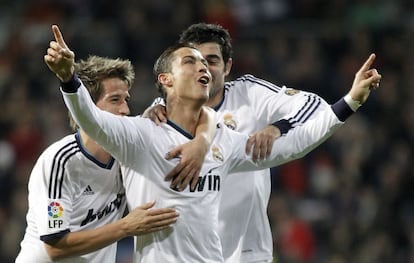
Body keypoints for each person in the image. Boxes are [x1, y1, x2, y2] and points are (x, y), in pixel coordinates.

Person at [44, 24, 380, 262]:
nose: (203, 67)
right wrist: (67, 78)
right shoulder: (141, 133)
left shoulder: (223, 140)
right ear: (166, 80)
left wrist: (349, 101)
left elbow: (296, 145)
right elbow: (90, 118)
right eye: (190, 61)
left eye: (207, 62)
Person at [144, 23, 380, 262]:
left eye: (212, 60)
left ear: (227, 67)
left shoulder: (248, 93)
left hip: (246, 250)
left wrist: (277, 127)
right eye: (195, 61)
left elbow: (313, 106)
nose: (204, 68)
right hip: (185, 251)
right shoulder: (160, 112)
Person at [15, 55, 180, 263]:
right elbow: (55, 247)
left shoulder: (128, 157)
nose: (125, 110)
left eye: (126, 99)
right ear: (88, 108)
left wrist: (158, 107)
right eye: (114, 100)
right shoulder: (61, 160)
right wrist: (126, 227)